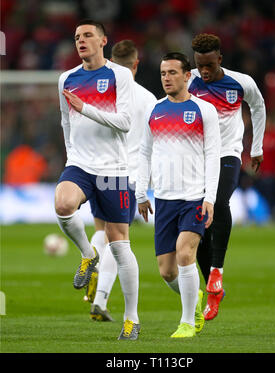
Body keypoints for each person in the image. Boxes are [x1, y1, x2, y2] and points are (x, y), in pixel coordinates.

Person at [55, 19, 140, 340]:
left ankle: (131, 319)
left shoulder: (118, 75)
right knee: (63, 204)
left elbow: (126, 123)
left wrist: (86, 108)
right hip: (80, 163)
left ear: (103, 40)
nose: (81, 40)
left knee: (120, 245)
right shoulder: (67, 78)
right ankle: (88, 254)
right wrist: (70, 156)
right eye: (77, 37)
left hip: (114, 170)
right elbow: (66, 121)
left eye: (88, 35)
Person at [136, 52, 221, 338]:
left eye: (173, 72)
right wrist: (140, 192)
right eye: (163, 73)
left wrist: (210, 197)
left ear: (188, 76)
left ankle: (186, 322)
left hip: (194, 197)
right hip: (164, 199)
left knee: (186, 253)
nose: (167, 78)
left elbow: (213, 155)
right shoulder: (154, 110)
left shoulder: (203, 109)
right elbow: (145, 153)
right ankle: (194, 297)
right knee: (166, 271)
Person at [188, 33, 266, 320]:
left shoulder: (241, 82)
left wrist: (255, 147)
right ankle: (212, 288)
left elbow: (258, 106)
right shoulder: (188, 80)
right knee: (197, 222)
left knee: (219, 204)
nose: (204, 71)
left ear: (219, 59)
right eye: (200, 65)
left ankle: (217, 271)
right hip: (195, 158)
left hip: (228, 155)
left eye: (209, 65)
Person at [86, 40, 157, 322]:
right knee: (120, 241)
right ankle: (100, 300)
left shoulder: (102, 95)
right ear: (136, 64)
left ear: (111, 63)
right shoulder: (148, 99)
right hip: (128, 176)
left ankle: (88, 260)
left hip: (99, 171)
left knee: (103, 232)